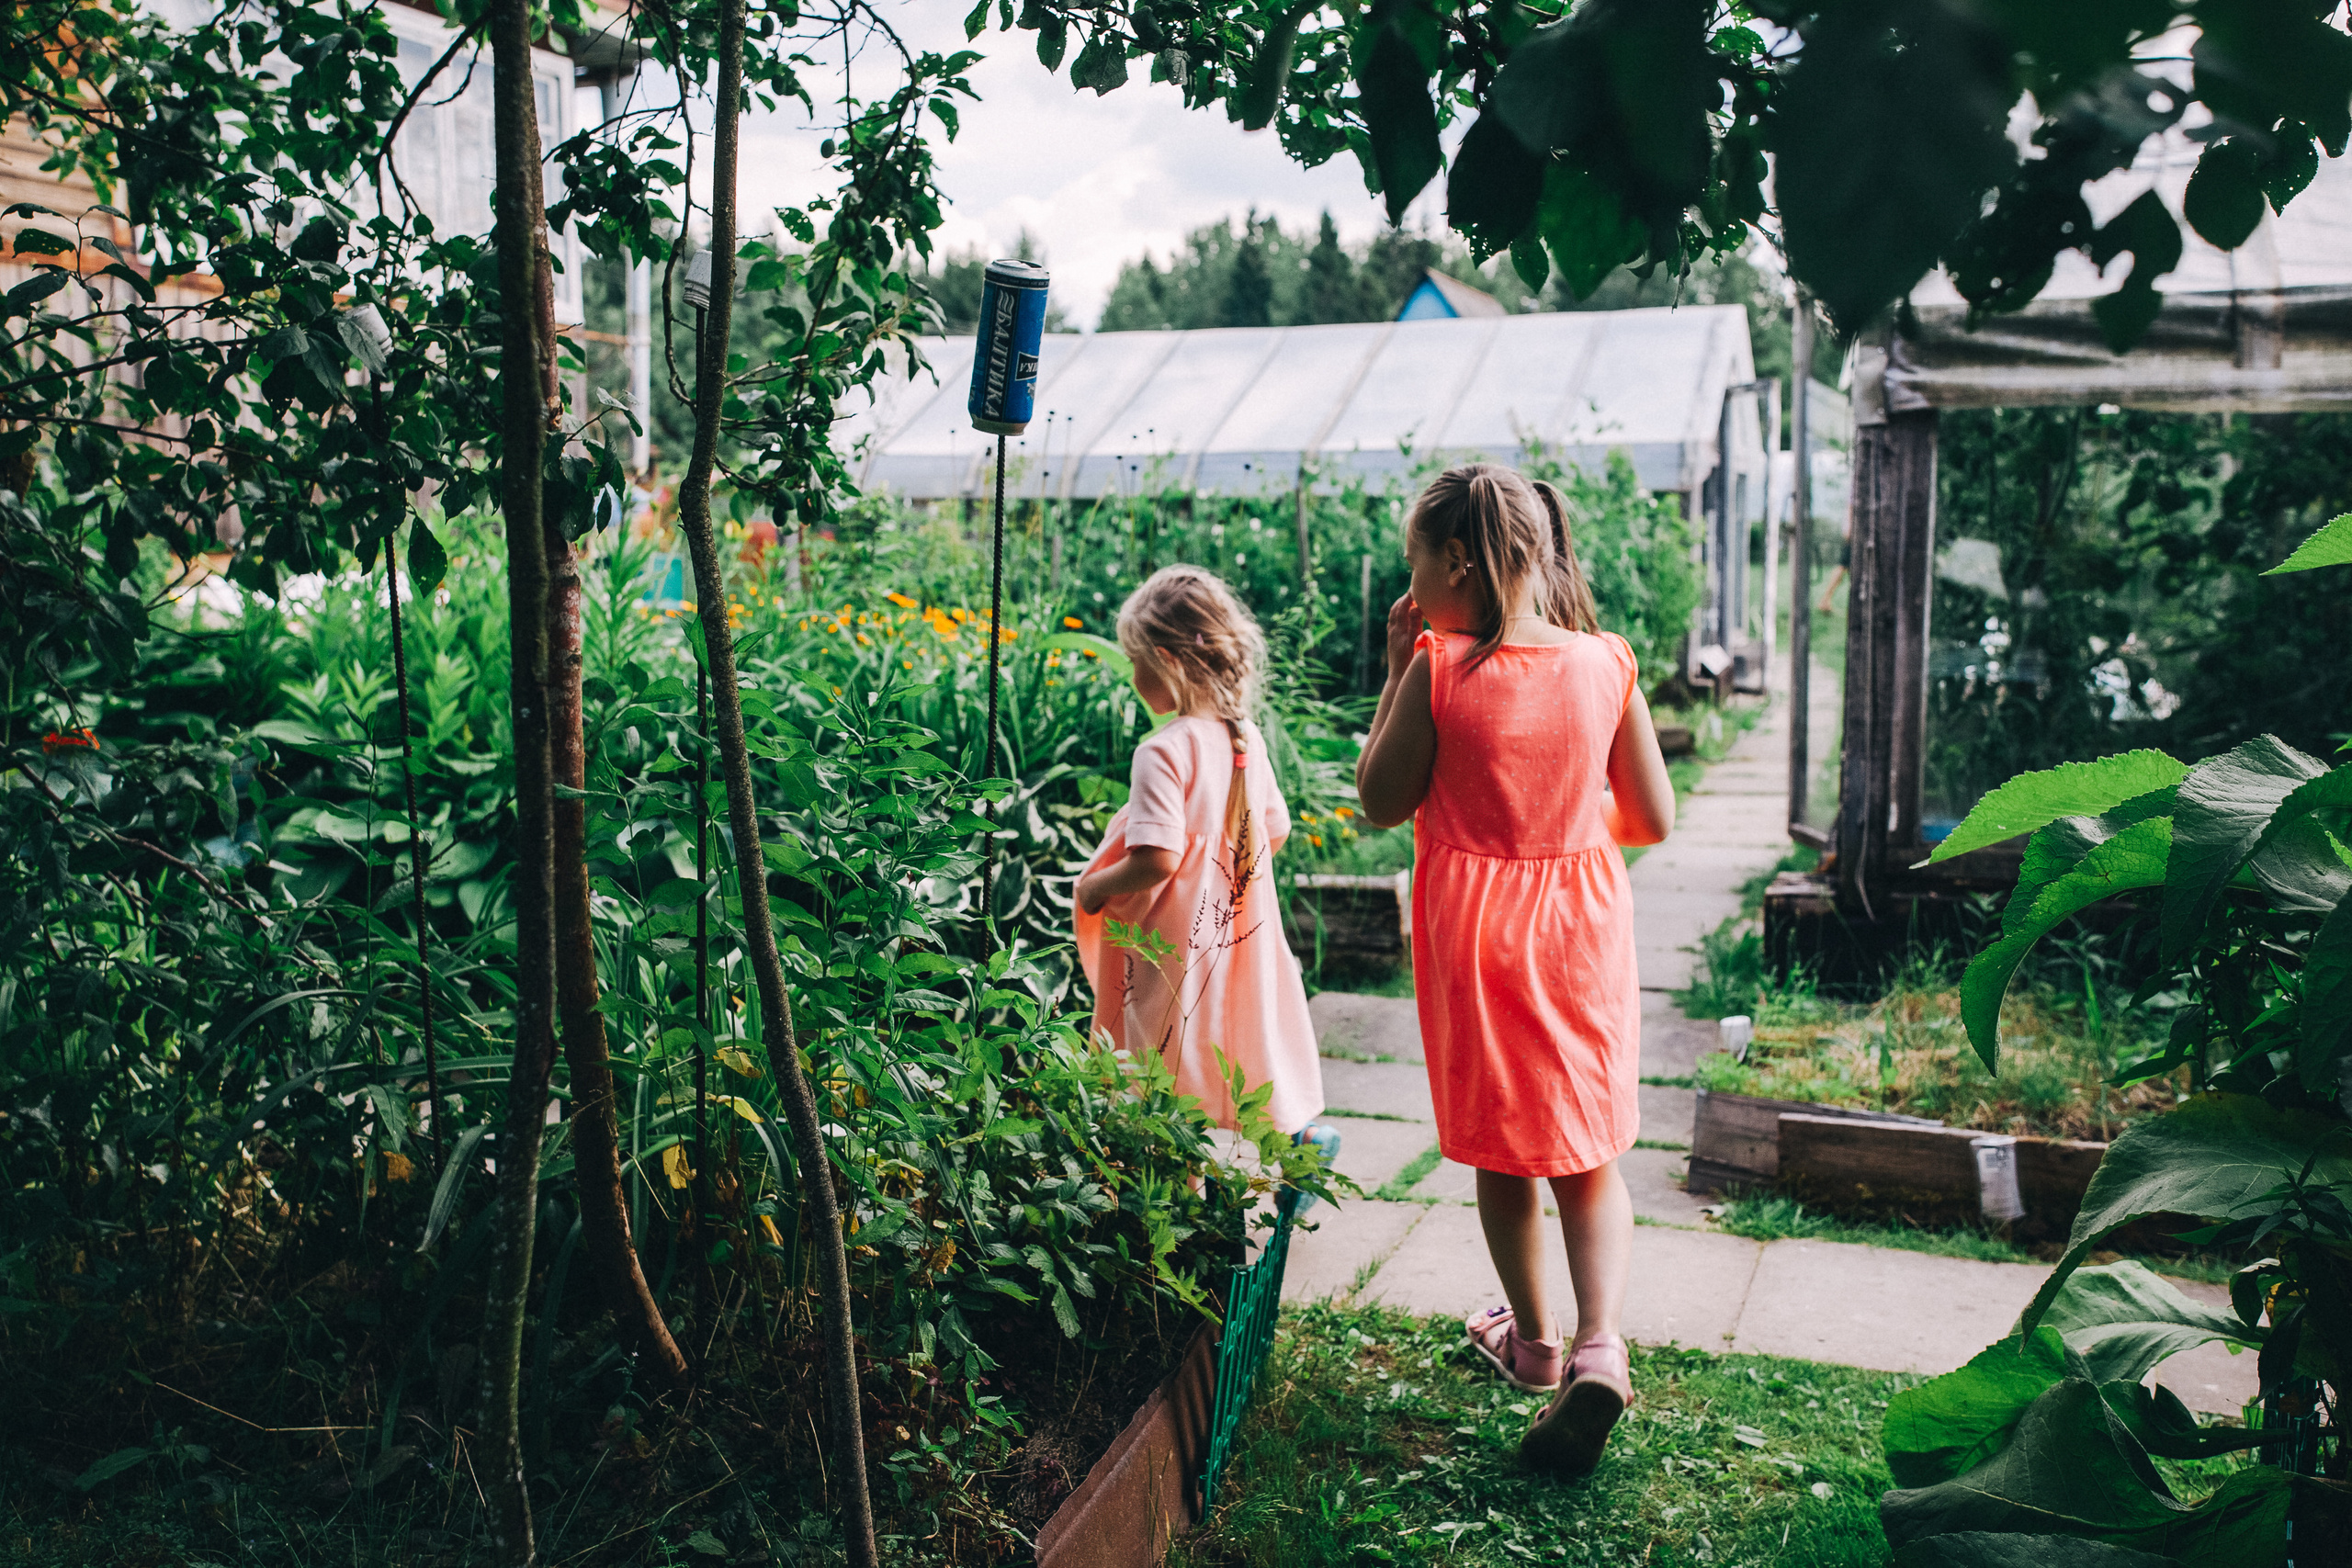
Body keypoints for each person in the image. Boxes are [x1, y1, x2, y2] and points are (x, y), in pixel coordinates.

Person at [1355, 463, 1676, 1478]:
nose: (1410, 588)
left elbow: (1380, 800)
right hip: (1580, 927)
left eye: (1414, 566)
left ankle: (1532, 1341)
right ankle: (1600, 1344)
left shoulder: (1439, 667)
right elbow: (1651, 819)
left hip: (1477, 934)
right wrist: (1565, 822)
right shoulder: (1605, 661)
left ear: (1456, 562)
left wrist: (1394, 671)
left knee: (1503, 1149)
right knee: (1588, 1150)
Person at [1072, 566, 1337, 1174]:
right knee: (1229, 1043)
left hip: (1170, 945)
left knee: (1163, 1062)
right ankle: (1298, 1147)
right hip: (1231, 935)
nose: (1133, 677)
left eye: (1136, 662)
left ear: (1166, 660)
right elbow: (1274, 828)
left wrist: (1093, 888)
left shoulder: (1163, 750)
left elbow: (1158, 856)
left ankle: (1174, 1192)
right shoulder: (1244, 738)